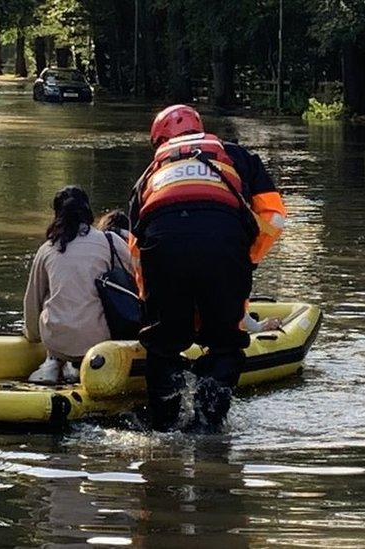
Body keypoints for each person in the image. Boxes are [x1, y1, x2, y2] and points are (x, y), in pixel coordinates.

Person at [129, 104, 287, 431]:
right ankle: (209, 428)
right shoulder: (238, 157)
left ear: (160, 141)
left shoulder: (150, 174)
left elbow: (135, 248)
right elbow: (274, 216)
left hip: (163, 250)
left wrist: (151, 303)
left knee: (162, 346)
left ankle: (163, 428)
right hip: (225, 246)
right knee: (226, 343)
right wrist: (248, 258)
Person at [24, 187, 132, 384]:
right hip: (99, 342)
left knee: (52, 294)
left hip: (56, 341)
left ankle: (55, 361)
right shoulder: (109, 241)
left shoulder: (46, 250)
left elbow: (32, 300)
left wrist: (32, 336)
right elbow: (138, 278)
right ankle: (75, 367)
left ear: (57, 214)